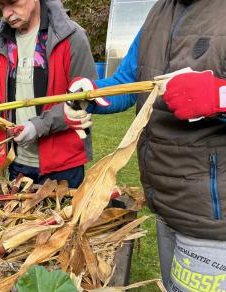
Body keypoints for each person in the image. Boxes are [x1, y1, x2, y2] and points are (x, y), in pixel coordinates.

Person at [68, 0, 226, 290]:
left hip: (211, 215)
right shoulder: (158, 13)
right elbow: (128, 81)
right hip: (164, 203)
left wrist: (219, 97)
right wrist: (92, 92)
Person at [0, 0, 106, 187]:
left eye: (12, 3)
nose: (7, 13)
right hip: (17, 162)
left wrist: (38, 126)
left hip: (63, 166)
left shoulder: (71, 37)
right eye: (1, 5)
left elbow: (84, 98)